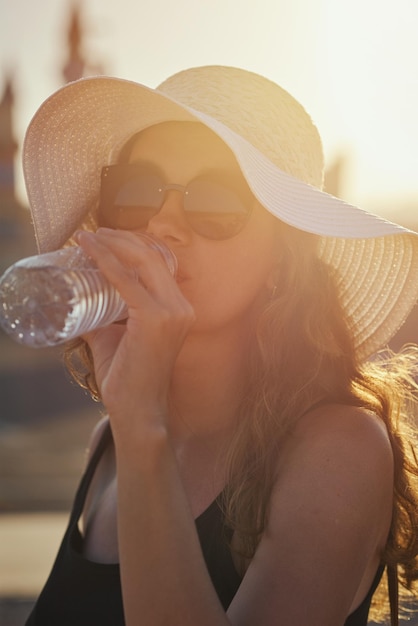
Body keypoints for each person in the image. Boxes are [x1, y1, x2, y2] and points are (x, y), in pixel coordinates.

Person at [23, 65, 418, 626]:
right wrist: (135, 422)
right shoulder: (108, 444)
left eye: (215, 200)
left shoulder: (339, 450)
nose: (164, 222)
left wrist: (141, 422)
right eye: (135, 192)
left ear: (282, 254)